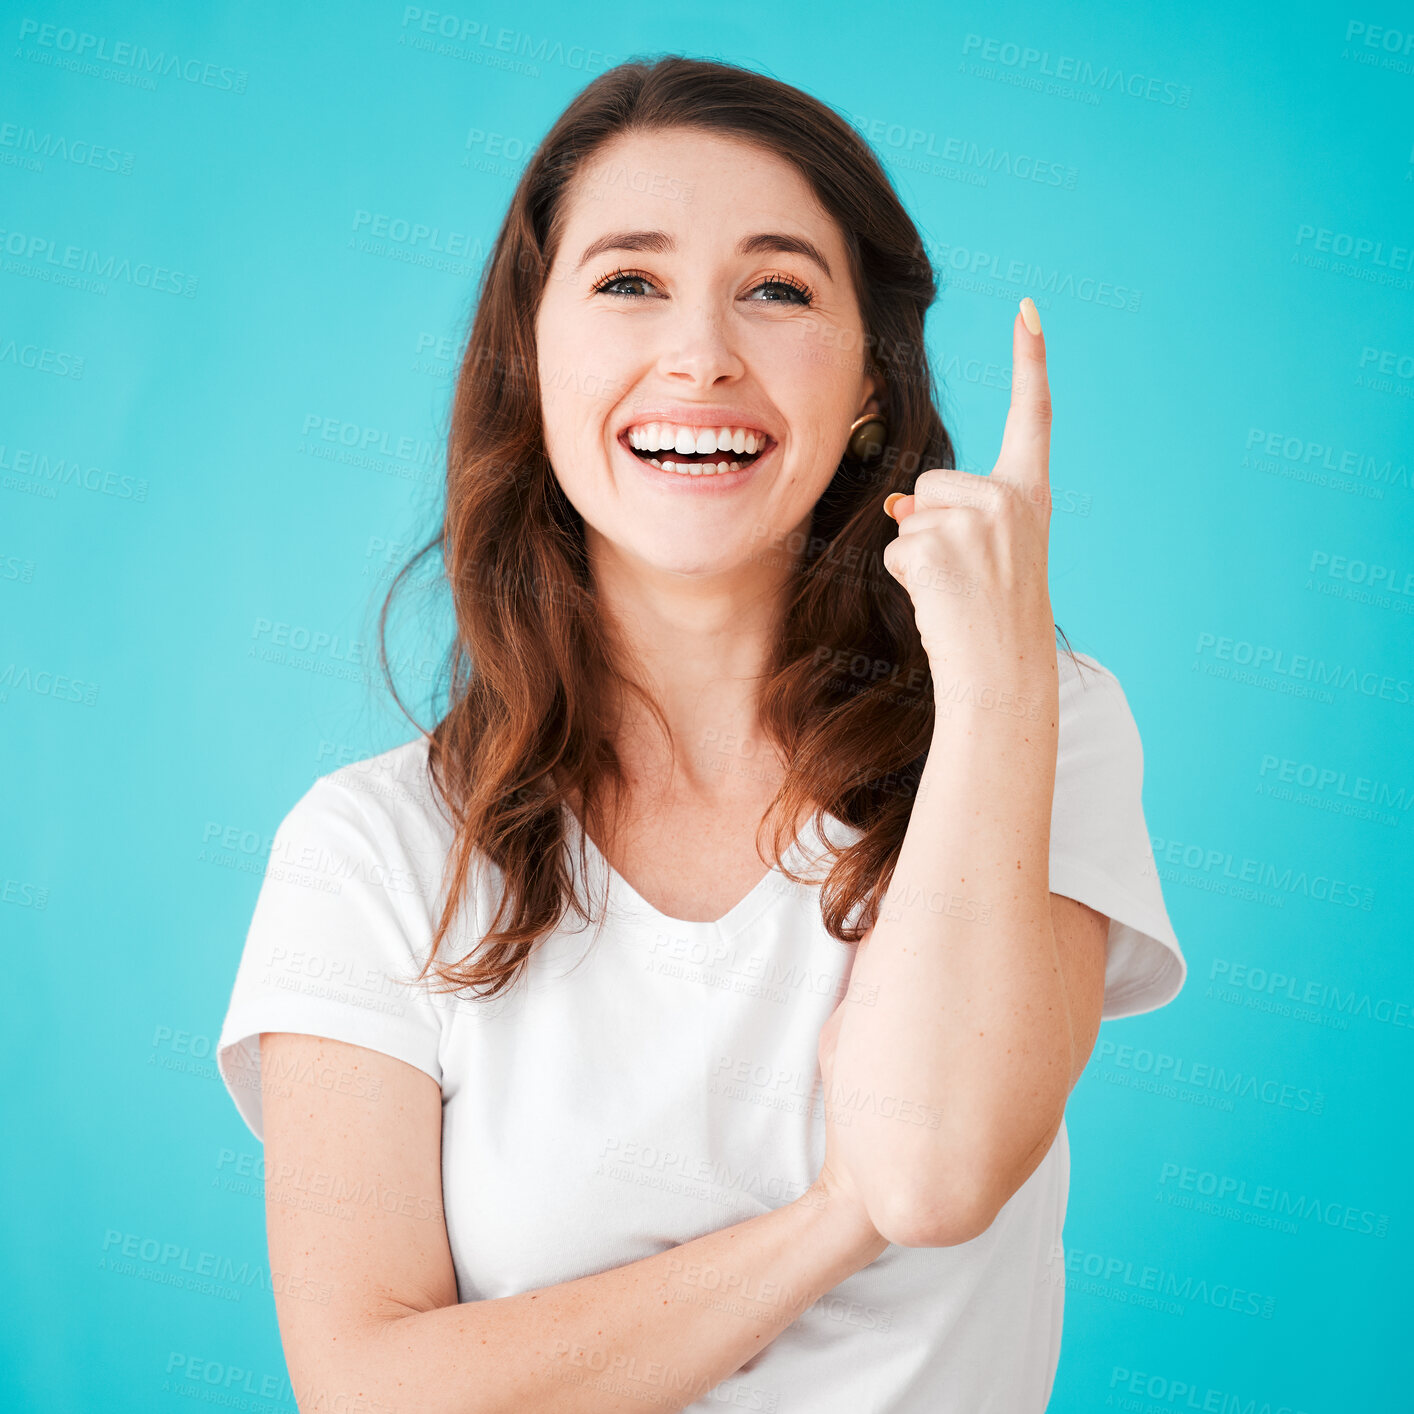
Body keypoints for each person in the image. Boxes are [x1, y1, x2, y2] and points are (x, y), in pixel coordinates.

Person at [217, 54, 1185, 1414]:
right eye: (627, 282)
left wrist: (999, 670)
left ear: (865, 384)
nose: (700, 353)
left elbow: (936, 1169)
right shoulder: (366, 848)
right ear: (532, 353)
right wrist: (832, 1214)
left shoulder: (1034, 721)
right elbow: (371, 1390)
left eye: (778, 289)